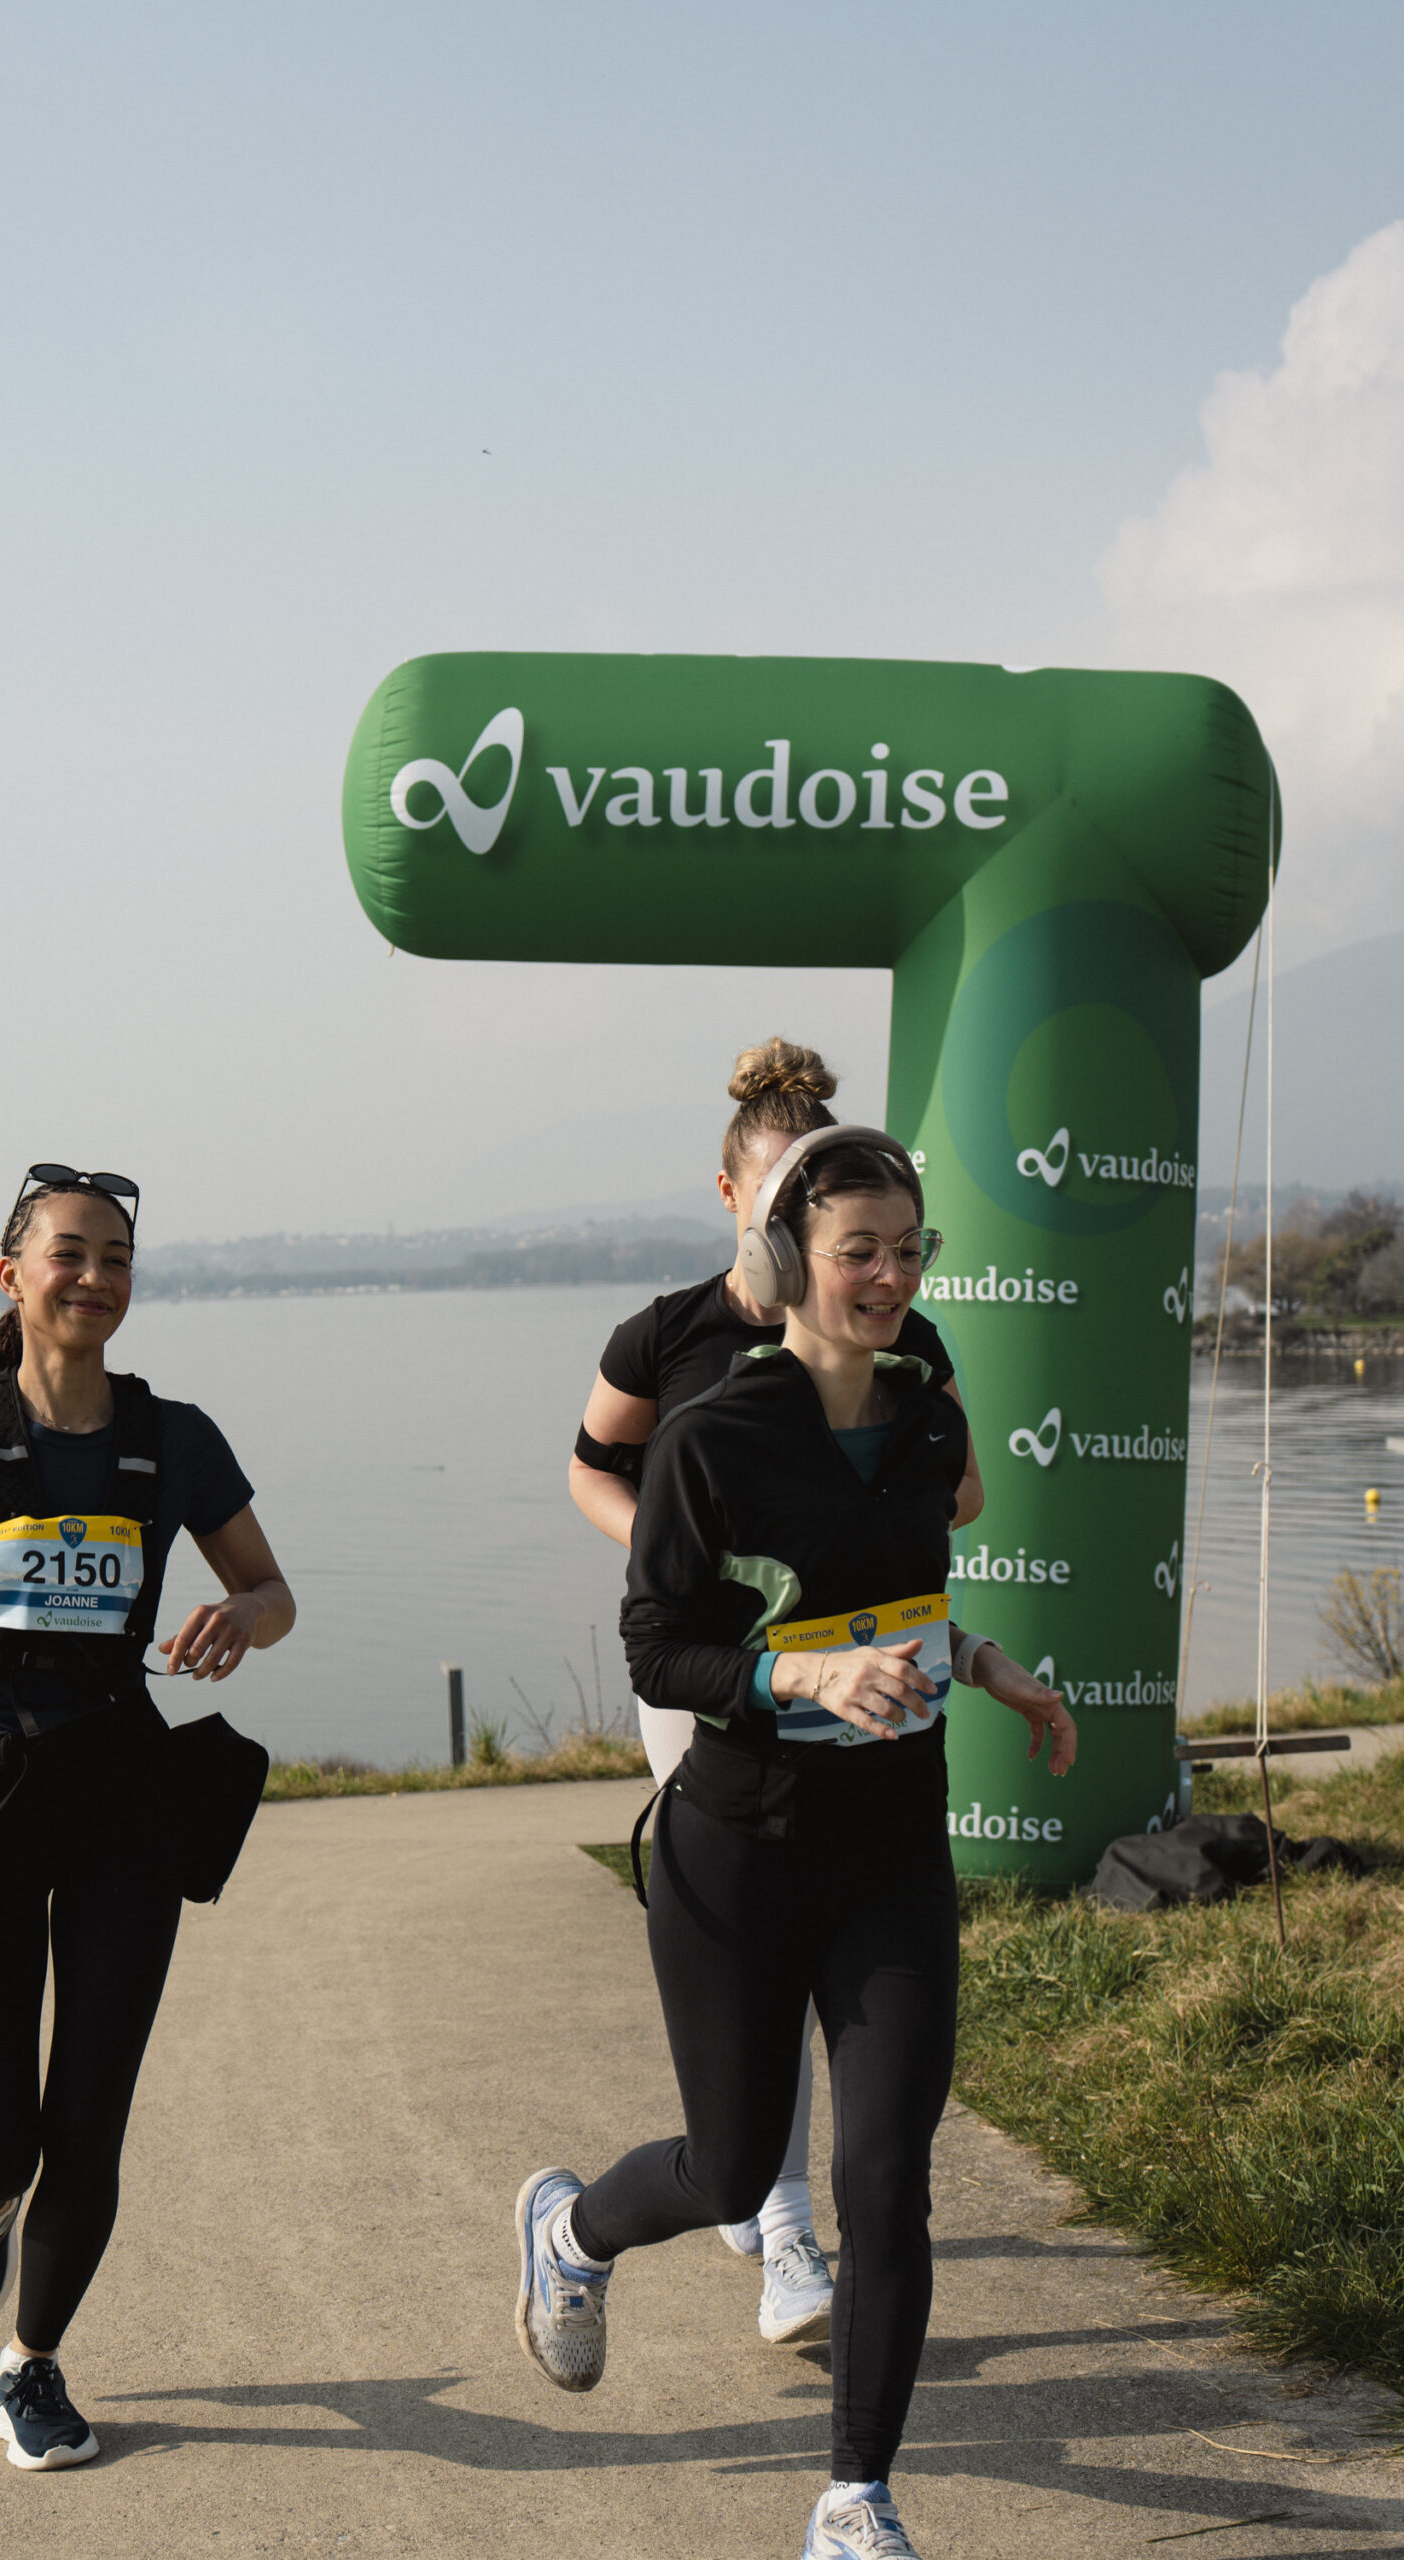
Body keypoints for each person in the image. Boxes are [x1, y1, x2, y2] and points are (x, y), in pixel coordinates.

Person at [523, 1124, 1075, 2560]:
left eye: (909, 1249)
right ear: (787, 1261)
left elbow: (898, 1600)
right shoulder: (712, 1437)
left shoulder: (930, 1419)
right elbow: (660, 1651)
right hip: (737, 1856)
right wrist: (800, 1676)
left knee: (886, 2181)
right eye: (858, 1251)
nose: (890, 1277)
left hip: (891, 1856)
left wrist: (989, 1664)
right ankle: (574, 2234)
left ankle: (855, 2498)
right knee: (730, 2169)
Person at [0, 1166, 295, 2472]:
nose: (95, 1276)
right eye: (69, 1253)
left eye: (117, 1257)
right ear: (14, 1275)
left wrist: (240, 1616)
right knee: (0, 2141)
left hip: (120, 1791)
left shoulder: (175, 1438)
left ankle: (29, 2364)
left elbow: (273, 1591)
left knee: (89, 2114)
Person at [567, 1040, 979, 2346]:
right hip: (713, 1677)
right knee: (758, 1947)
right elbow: (591, 1470)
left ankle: (792, 2208)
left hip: (869, 1697)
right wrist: (677, 1556)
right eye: (765, 1196)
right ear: (742, 1203)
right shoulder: (668, 1336)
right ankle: (781, 2219)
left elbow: (953, 1493)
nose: (880, 1270)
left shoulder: (902, 1343)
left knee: (838, 1951)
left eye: (898, 1247)